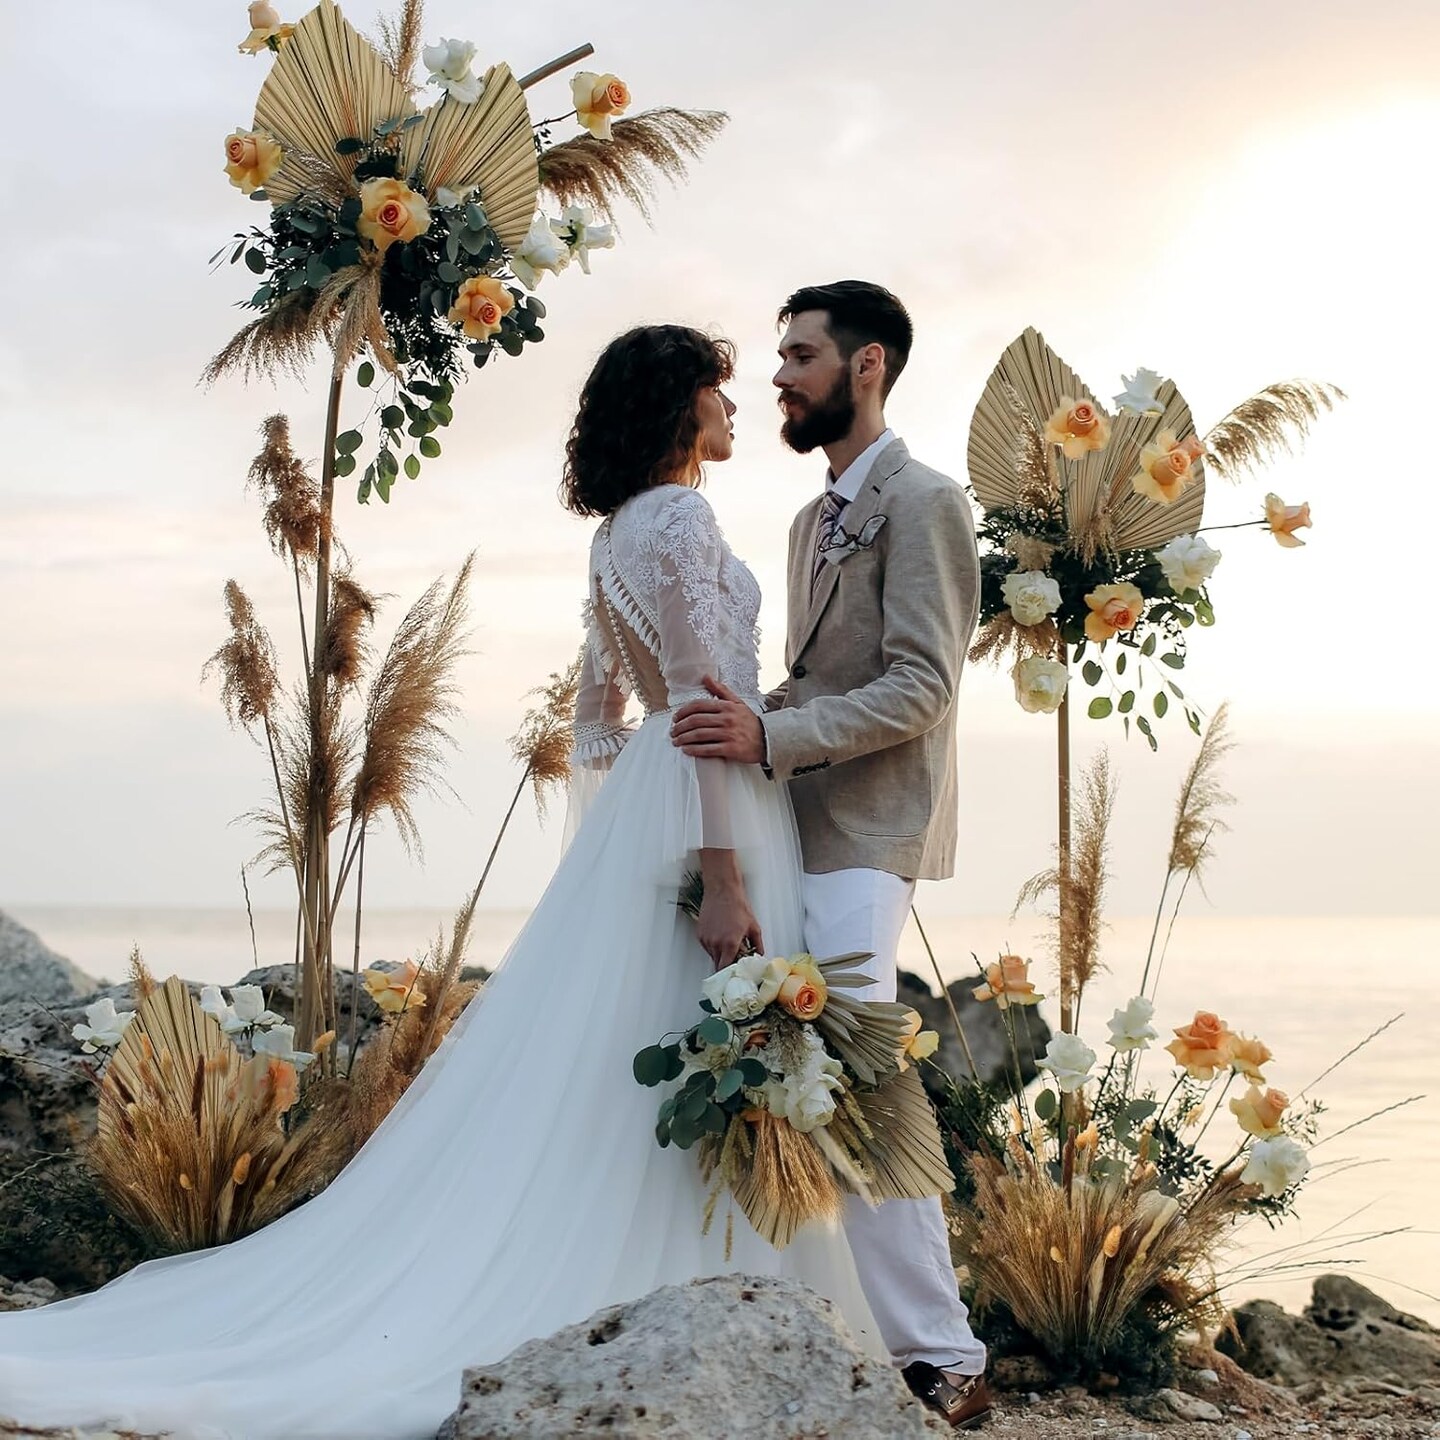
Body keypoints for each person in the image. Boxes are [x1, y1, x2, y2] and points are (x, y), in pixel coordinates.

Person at [0, 326, 889, 1439]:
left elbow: (594, 720)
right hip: (716, 809)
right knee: (711, 1037)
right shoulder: (682, 516)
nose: (734, 406)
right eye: (717, 389)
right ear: (677, 406)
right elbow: (706, 704)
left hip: (655, 803)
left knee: (649, 1059)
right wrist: (717, 868)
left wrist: (632, 815)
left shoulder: (615, 533)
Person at [671, 280, 992, 1429]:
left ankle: (945, 1352)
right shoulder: (813, 521)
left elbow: (923, 685)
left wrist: (776, 735)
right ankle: (852, 1316)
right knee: (798, 1067)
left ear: (868, 366)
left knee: (862, 1068)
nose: (780, 377)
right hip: (794, 821)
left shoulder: (930, 502)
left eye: (802, 356)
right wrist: (730, 726)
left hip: (876, 827)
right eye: (781, 357)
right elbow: (811, 681)